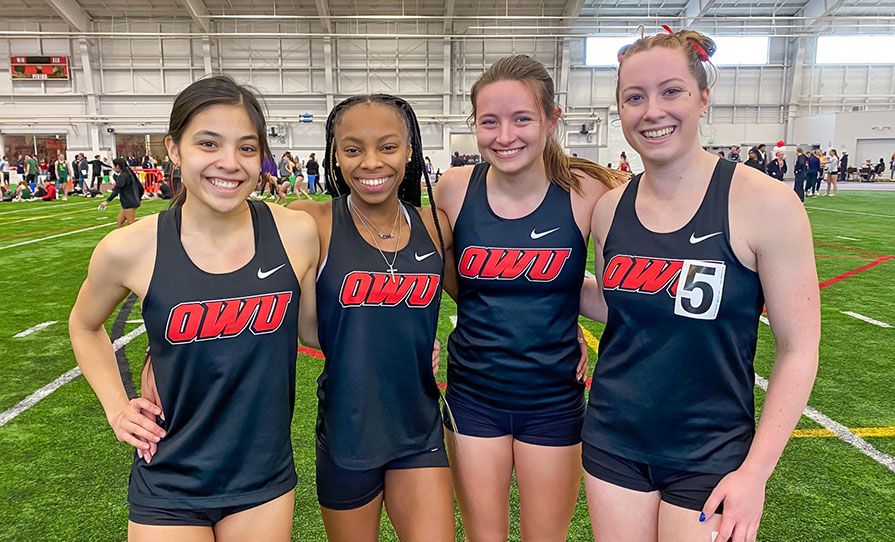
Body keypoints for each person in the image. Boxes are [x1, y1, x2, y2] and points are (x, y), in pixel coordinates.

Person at [579, 28, 819, 542]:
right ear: (619, 109)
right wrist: (532, 294)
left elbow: (799, 349)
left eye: (672, 91)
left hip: (711, 455)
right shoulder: (609, 209)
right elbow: (623, 305)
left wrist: (754, 475)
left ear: (703, 96)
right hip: (612, 443)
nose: (652, 111)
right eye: (634, 97)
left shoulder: (767, 204)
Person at [69, 75, 319, 541]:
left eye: (247, 148)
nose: (230, 163)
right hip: (169, 476)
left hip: (262, 478)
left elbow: (315, 331)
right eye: (208, 143)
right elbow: (84, 326)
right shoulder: (129, 248)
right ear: (175, 150)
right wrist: (117, 408)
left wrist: (407, 333)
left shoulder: (295, 233)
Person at [434, 55, 623, 541]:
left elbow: (614, 292)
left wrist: (568, 318)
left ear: (551, 119)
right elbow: (453, 281)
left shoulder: (589, 192)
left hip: (553, 399)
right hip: (473, 396)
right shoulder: (454, 189)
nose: (505, 135)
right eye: (489, 122)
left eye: (522, 119)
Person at [287, 94, 454, 542]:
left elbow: (487, 298)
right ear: (334, 156)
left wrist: (562, 320)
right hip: (348, 431)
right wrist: (155, 359)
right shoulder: (312, 222)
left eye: (387, 146)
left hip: (418, 427)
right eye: (353, 149)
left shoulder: (435, 225)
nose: (371, 162)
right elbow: (224, 251)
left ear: (410, 151)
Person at [98, 158, 143, 228]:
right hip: (131, 201)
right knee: (119, 222)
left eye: (114, 166)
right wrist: (139, 198)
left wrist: (107, 201)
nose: (113, 168)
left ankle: (143, 230)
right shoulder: (129, 172)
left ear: (118, 166)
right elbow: (140, 186)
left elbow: (117, 189)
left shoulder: (123, 175)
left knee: (131, 223)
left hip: (129, 202)